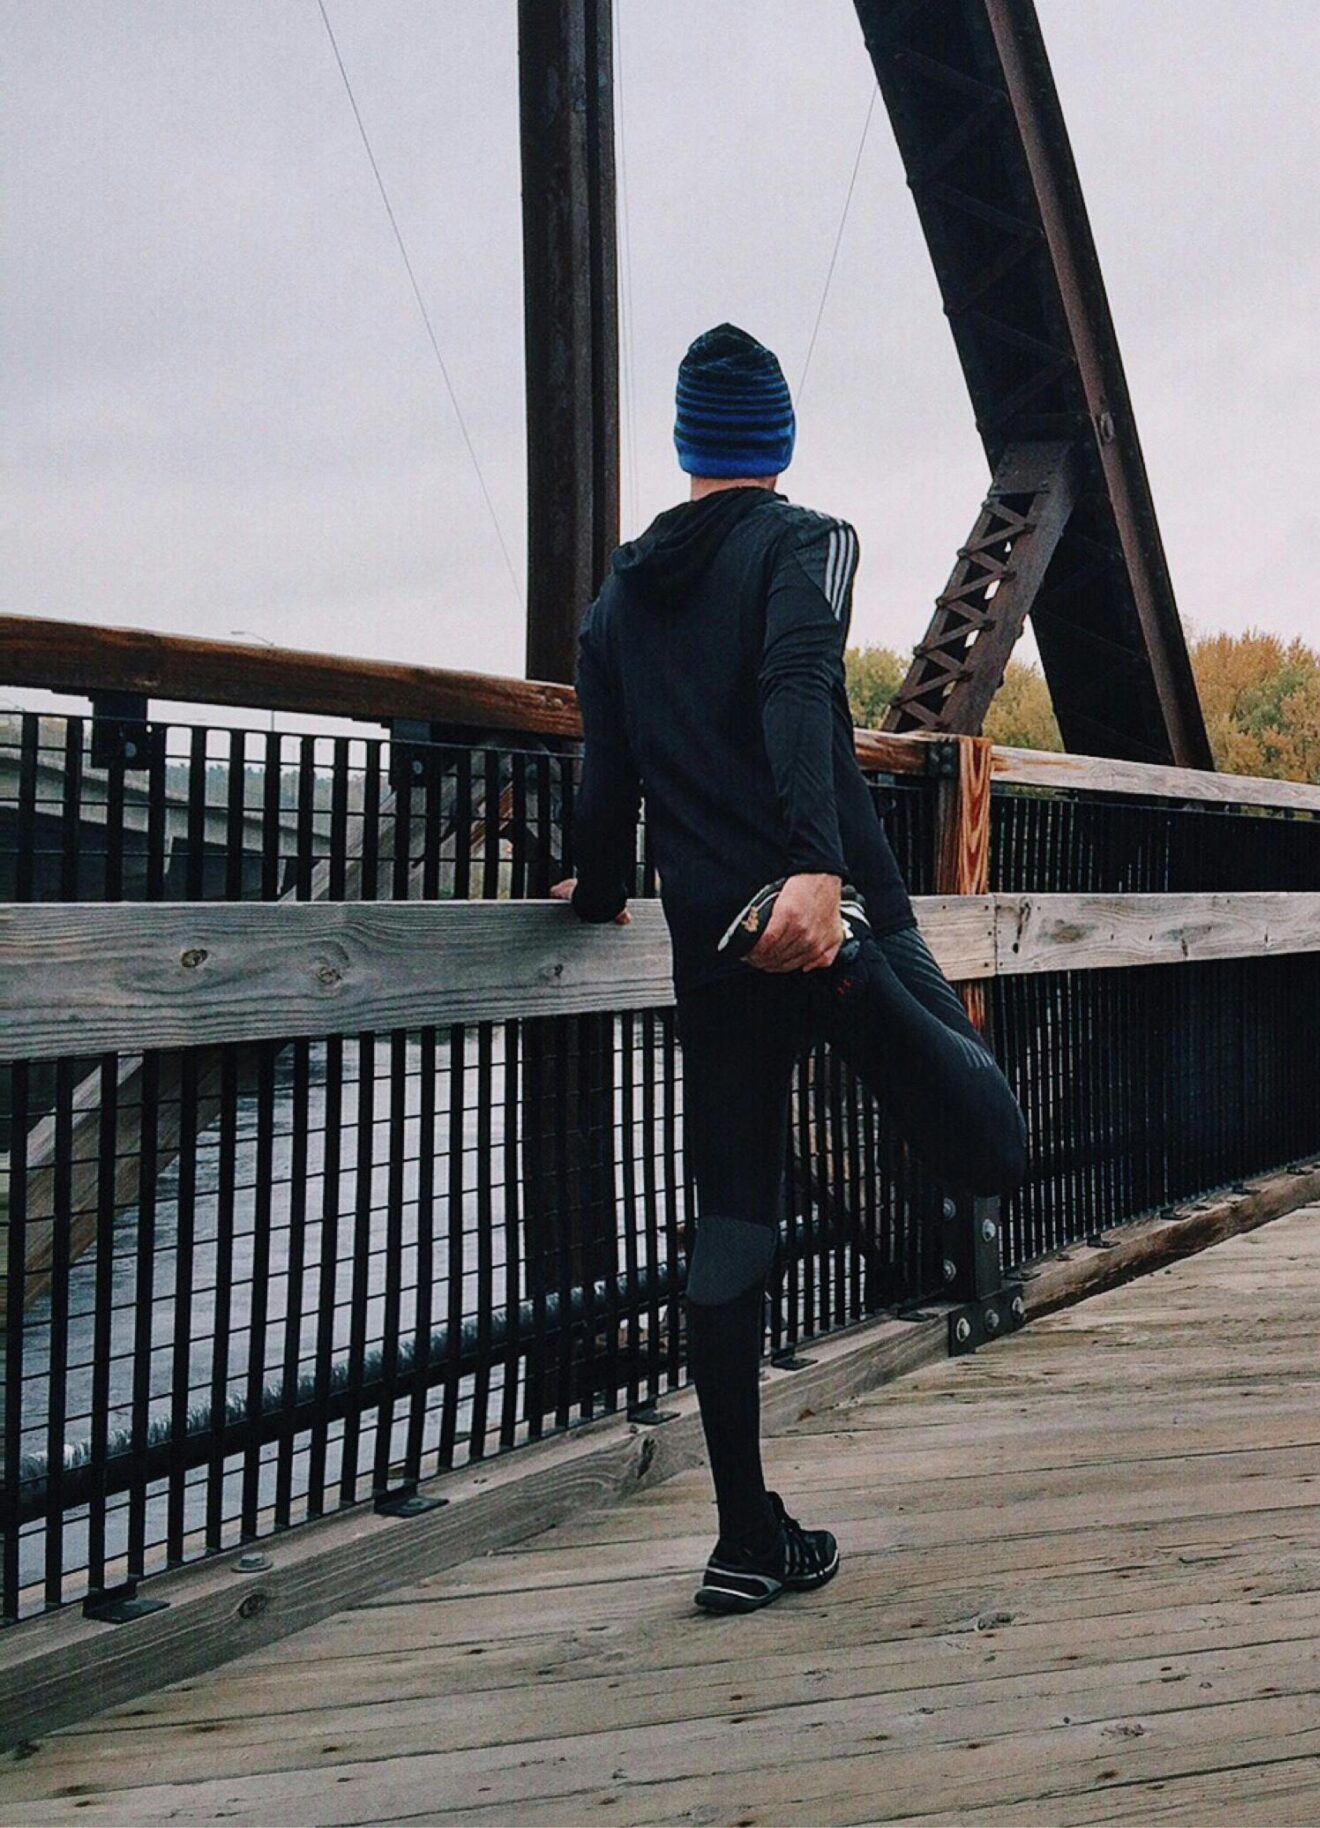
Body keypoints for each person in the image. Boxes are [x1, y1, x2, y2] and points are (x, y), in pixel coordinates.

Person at [553, 323, 1028, 1615]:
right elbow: (795, 685)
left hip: (712, 945)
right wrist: (823, 881)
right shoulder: (808, 543)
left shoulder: (613, 603)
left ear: (684, 443)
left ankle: (743, 1536)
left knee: (733, 1225)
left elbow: (605, 789)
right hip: (833, 916)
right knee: (990, 1143)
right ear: (777, 438)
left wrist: (592, 892)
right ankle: (853, 977)